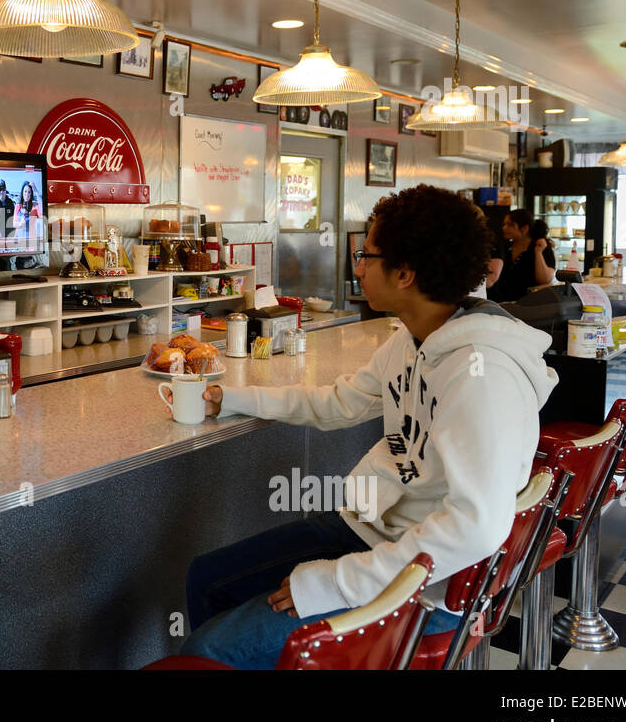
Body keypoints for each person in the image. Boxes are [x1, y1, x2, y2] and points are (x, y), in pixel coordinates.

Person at [181, 185, 558, 669]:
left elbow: (476, 527)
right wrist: (229, 398)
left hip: (426, 584)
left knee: (206, 651)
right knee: (205, 578)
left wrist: (335, 583)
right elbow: (339, 402)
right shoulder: (414, 336)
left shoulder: (480, 372)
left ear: (405, 274)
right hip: (373, 530)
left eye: (366, 255)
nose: (357, 266)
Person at [489, 209, 556, 302]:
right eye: (504, 224)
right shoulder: (504, 247)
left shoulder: (541, 247)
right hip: (501, 304)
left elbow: (544, 279)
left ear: (524, 228)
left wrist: (538, 253)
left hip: (529, 305)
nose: (504, 228)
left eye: (510, 225)